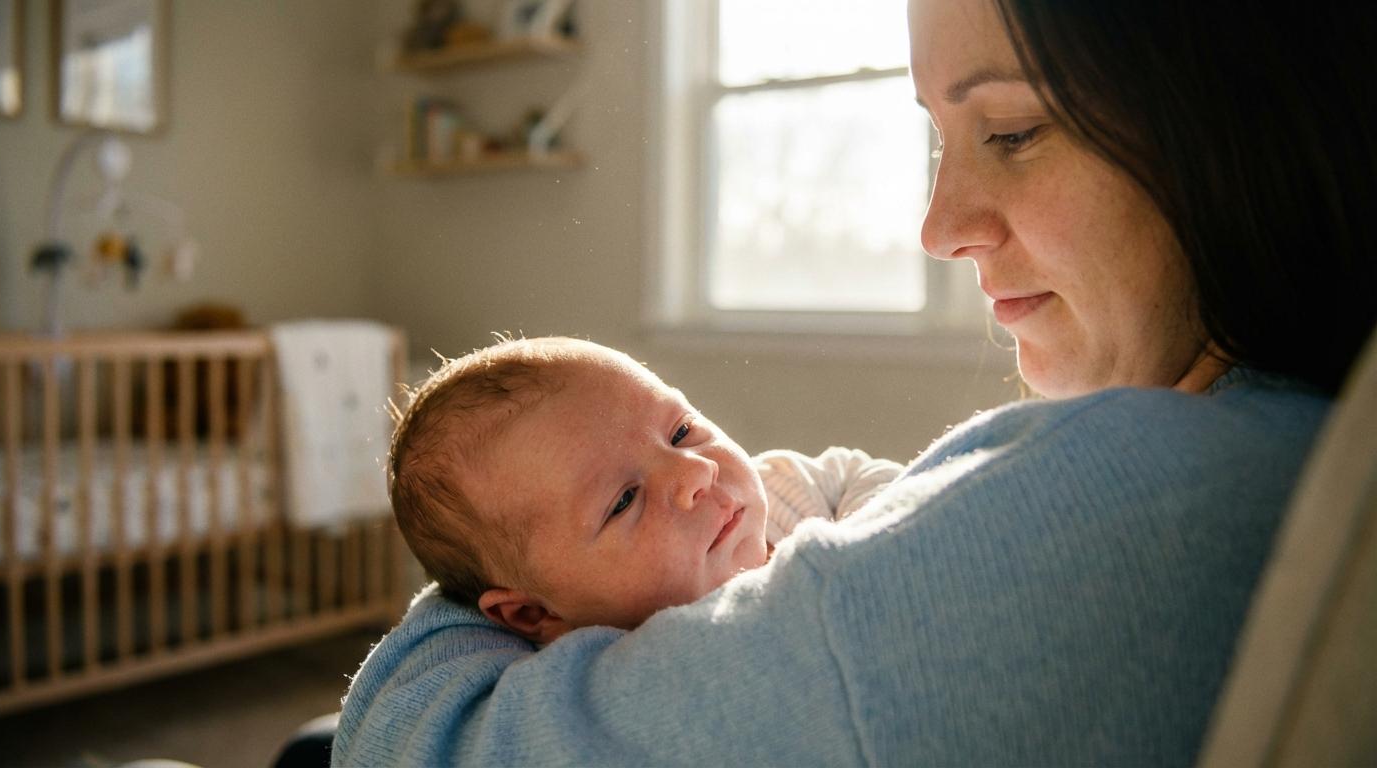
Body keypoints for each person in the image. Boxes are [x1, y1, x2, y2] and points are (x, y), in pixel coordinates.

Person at [333, 0, 1377, 764]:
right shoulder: (1286, 444)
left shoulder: (1116, 506)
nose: (936, 225)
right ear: (528, 613)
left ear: (1234, 126)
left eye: (1010, 133)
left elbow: (405, 738)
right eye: (938, 138)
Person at [386, 336, 903, 642]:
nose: (694, 473)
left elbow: (858, 472)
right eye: (625, 500)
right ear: (536, 614)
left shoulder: (785, 495)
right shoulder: (616, 672)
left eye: (682, 431)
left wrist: (866, 550)